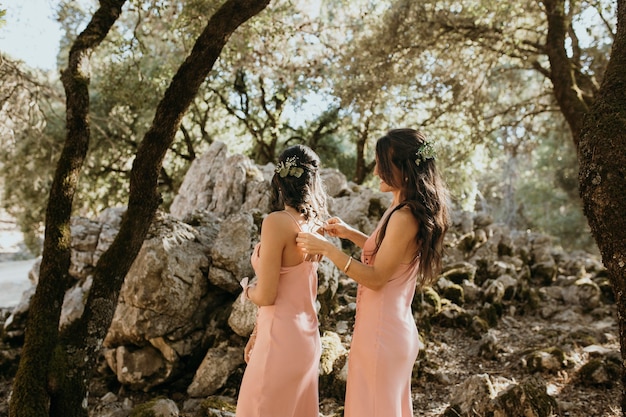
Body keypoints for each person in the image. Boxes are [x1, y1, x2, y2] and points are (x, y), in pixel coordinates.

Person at [296, 128, 450, 417]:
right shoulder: (400, 207)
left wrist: (329, 250)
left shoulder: (404, 216)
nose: (376, 169)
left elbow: (377, 277)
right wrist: (349, 233)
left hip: (383, 334)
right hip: (387, 328)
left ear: (403, 169)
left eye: (383, 163)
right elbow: (389, 252)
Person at [235, 144, 328, 417]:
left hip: (280, 342)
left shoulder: (277, 222)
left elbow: (267, 296)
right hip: (307, 339)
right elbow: (294, 292)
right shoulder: (315, 226)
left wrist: (246, 289)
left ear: (279, 180)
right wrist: (256, 333)